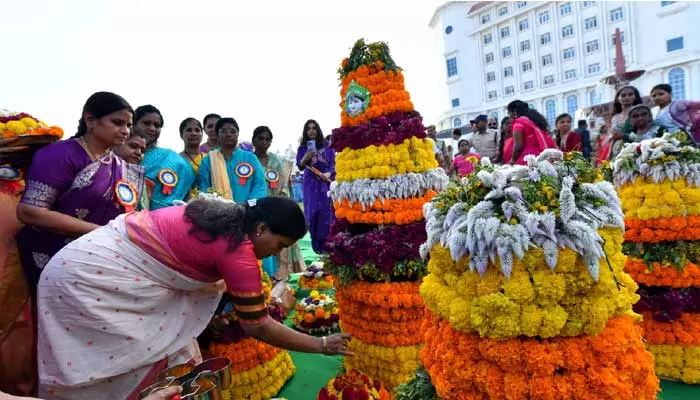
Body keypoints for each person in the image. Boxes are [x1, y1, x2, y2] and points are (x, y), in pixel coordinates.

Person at [35, 196, 352, 399]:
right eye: (280, 244)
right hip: (89, 281)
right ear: (260, 227)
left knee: (171, 352)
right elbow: (258, 326)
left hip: (82, 261)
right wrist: (321, 345)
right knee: (118, 359)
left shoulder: (223, 213)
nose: (277, 253)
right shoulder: (239, 251)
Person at [16, 92, 145, 300]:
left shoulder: (118, 165)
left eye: (129, 125)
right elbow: (30, 212)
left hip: (95, 258)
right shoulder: (59, 155)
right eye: (118, 123)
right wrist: (99, 232)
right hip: (50, 255)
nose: (125, 131)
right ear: (90, 120)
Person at [252, 126, 305, 279]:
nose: (264, 142)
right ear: (253, 140)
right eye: (260, 138)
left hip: (276, 207)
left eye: (267, 139)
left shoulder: (276, 161)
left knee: (278, 240)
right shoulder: (248, 160)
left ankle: (280, 276)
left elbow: (283, 186)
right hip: (256, 208)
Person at [197, 117, 267, 202]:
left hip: (248, 211)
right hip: (218, 211)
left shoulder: (250, 158)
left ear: (237, 134)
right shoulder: (208, 161)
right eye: (223, 131)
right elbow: (204, 189)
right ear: (217, 135)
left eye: (233, 131)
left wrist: (249, 206)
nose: (228, 134)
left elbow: (260, 185)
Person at [139, 105, 196, 209]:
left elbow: (186, 197)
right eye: (146, 123)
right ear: (133, 124)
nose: (152, 128)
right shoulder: (119, 154)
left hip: (165, 220)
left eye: (157, 125)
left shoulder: (174, 160)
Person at [296, 120, 335, 254]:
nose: (311, 131)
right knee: (312, 213)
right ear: (305, 132)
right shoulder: (302, 148)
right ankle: (317, 247)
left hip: (325, 182)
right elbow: (300, 165)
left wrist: (328, 173)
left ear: (318, 130)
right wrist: (306, 157)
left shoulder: (326, 145)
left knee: (326, 212)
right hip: (311, 184)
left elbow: (332, 163)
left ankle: (327, 245)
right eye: (308, 129)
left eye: (314, 128)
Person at [504, 100, 557, 165]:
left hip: (528, 158)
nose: (509, 116)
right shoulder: (534, 121)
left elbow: (518, 146)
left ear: (514, 111)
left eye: (509, 113)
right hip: (541, 156)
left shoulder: (518, 123)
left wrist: (512, 160)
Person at [114, 131, 150, 211]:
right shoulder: (104, 169)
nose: (138, 153)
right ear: (116, 145)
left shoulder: (142, 183)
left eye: (143, 151)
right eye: (133, 146)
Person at [608, 86, 643, 159]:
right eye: (623, 95)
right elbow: (614, 137)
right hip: (617, 152)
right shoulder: (614, 117)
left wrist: (624, 136)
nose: (627, 97)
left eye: (630, 94)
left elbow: (644, 135)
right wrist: (609, 153)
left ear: (635, 96)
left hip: (634, 150)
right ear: (618, 98)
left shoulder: (640, 114)